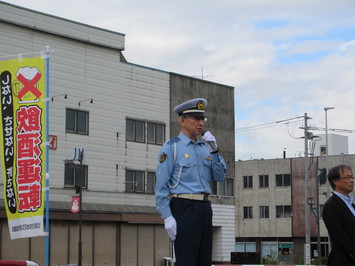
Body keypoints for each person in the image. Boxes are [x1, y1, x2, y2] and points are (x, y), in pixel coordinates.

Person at [155, 98, 227, 266]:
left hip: (205, 208)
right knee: (186, 260)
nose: (200, 123)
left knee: (204, 261)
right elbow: (161, 186)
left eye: (202, 119)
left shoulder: (205, 148)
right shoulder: (171, 147)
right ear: (182, 121)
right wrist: (167, 216)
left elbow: (219, 176)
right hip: (183, 207)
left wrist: (215, 150)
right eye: (195, 118)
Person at [322, 165, 355, 266]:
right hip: (344, 261)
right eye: (347, 177)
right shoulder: (331, 206)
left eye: (352, 177)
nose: (351, 180)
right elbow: (339, 236)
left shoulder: (352, 205)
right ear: (335, 181)